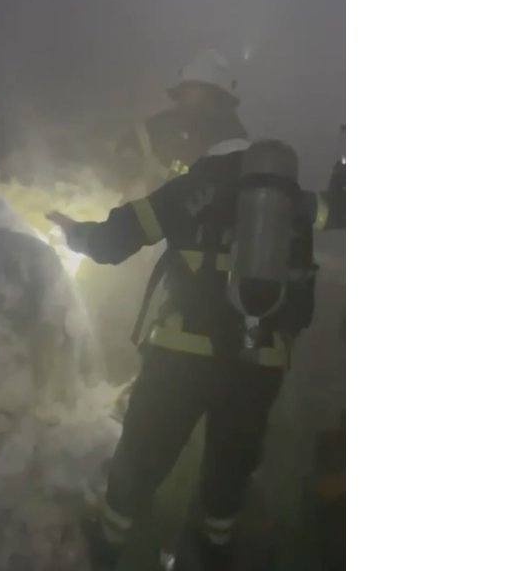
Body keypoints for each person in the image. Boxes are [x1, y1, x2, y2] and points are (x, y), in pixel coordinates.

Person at [48, 138, 319, 571]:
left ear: (213, 159)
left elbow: (112, 242)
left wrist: (73, 232)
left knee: (143, 451)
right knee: (232, 459)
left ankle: (109, 542)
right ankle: (215, 545)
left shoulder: (193, 189)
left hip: (182, 355)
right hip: (259, 361)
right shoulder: (292, 202)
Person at [107, 49, 249, 196]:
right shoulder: (167, 123)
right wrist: (128, 164)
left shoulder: (232, 140)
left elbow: (215, 188)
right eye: (187, 89)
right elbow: (131, 143)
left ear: (216, 96)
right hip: (153, 207)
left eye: (196, 88)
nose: (188, 96)